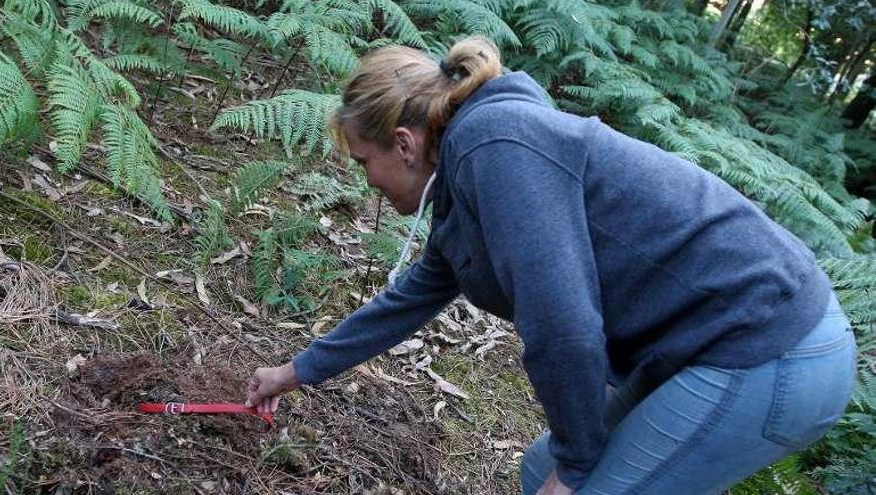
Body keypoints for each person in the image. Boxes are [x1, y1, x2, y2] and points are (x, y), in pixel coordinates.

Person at [245, 36, 858, 494]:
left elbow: (561, 324)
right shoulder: (470, 180)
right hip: (719, 342)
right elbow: (409, 299)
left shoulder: (500, 149)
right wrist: (295, 372)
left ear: (404, 145)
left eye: (363, 162)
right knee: (543, 469)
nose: (366, 181)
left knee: (575, 480)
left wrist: (580, 465)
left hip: (770, 346)